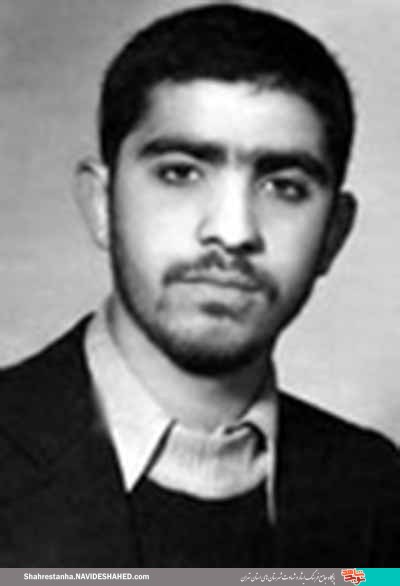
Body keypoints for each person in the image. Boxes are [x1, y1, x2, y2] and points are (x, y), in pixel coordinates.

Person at [0, 2, 399, 568]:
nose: (232, 232)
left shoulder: (378, 490)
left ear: (334, 234)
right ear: (102, 205)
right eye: (180, 173)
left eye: (284, 186)